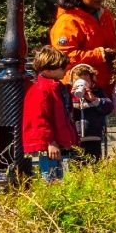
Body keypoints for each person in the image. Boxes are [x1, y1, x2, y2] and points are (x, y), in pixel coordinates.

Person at [49, 0, 116, 88]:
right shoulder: (67, 21)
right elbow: (64, 57)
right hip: (79, 88)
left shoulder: (106, 15)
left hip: (107, 85)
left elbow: (111, 43)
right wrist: (100, 55)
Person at [21, 47, 78, 182]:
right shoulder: (42, 90)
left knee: (57, 178)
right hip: (51, 143)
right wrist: (50, 142)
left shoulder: (55, 87)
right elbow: (40, 119)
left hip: (56, 140)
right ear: (48, 70)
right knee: (51, 178)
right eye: (62, 68)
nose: (65, 70)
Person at [67, 63, 113, 161]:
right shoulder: (69, 96)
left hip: (94, 137)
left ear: (92, 82)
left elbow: (108, 108)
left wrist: (94, 99)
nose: (81, 84)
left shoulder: (97, 93)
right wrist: (69, 98)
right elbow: (64, 113)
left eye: (86, 80)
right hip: (75, 139)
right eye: (77, 81)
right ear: (72, 82)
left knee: (94, 165)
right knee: (76, 166)